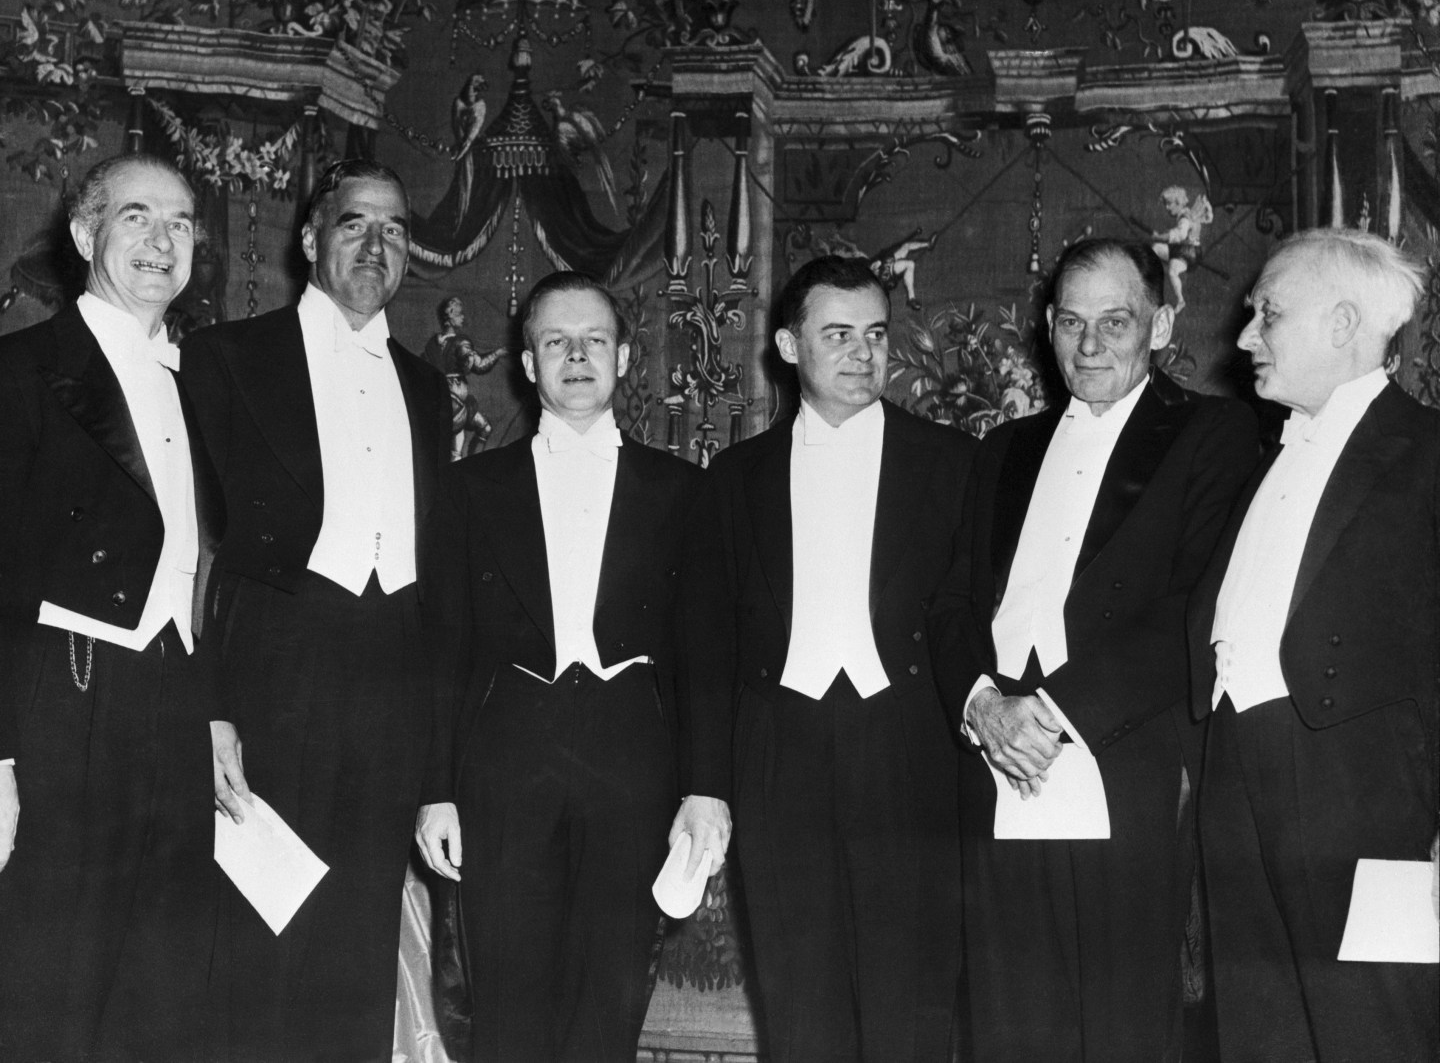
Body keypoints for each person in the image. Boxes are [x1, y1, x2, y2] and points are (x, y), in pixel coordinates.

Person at [927, 238, 1258, 1062]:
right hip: (995, 759)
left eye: (1115, 322)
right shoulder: (1004, 448)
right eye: (1072, 323)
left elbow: (1197, 605)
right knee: (1006, 1017)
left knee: (1122, 1026)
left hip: (1122, 756)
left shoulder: (1213, 431)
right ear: (1048, 326)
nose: (1089, 345)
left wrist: (1049, 713)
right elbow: (954, 603)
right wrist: (982, 707)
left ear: (1160, 326)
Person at [181, 158, 452, 1062]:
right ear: (309, 239)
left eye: (394, 229)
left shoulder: (426, 387)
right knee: (255, 940)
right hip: (271, 678)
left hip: (391, 692)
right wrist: (209, 705)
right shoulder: (227, 357)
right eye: (353, 224)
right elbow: (192, 544)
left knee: (356, 952)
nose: (376, 246)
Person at [676, 255, 973, 1062]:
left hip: (911, 751)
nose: (861, 353)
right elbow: (706, 642)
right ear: (787, 346)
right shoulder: (735, 478)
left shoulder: (952, 464)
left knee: (911, 1004)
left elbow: (972, 618)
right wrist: (705, 783)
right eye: (837, 334)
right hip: (779, 755)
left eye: (875, 334)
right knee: (800, 1007)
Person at [416, 271, 700, 1063]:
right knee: (506, 1007)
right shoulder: (469, 489)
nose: (577, 357)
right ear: (527, 363)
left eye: (594, 340)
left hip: (633, 766)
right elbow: (441, 648)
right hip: (506, 762)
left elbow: (703, 654)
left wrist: (702, 789)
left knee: (611, 1002)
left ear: (623, 358)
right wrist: (434, 790)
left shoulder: (681, 490)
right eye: (556, 342)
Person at [1188, 227, 1439, 1062]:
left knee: (1374, 1031)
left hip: (1367, 797)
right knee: (1260, 1034)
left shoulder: (1428, 450)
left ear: (1342, 324)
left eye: (1268, 314)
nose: (1244, 338)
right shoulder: (1271, 453)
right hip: (1237, 769)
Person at [0, 153, 225, 1062]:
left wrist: (212, 710)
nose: (162, 240)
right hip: (67, 695)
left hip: (172, 700)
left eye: (180, 223)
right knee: (53, 989)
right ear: (86, 234)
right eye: (137, 216)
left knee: (158, 997)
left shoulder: (196, 381)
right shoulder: (21, 370)